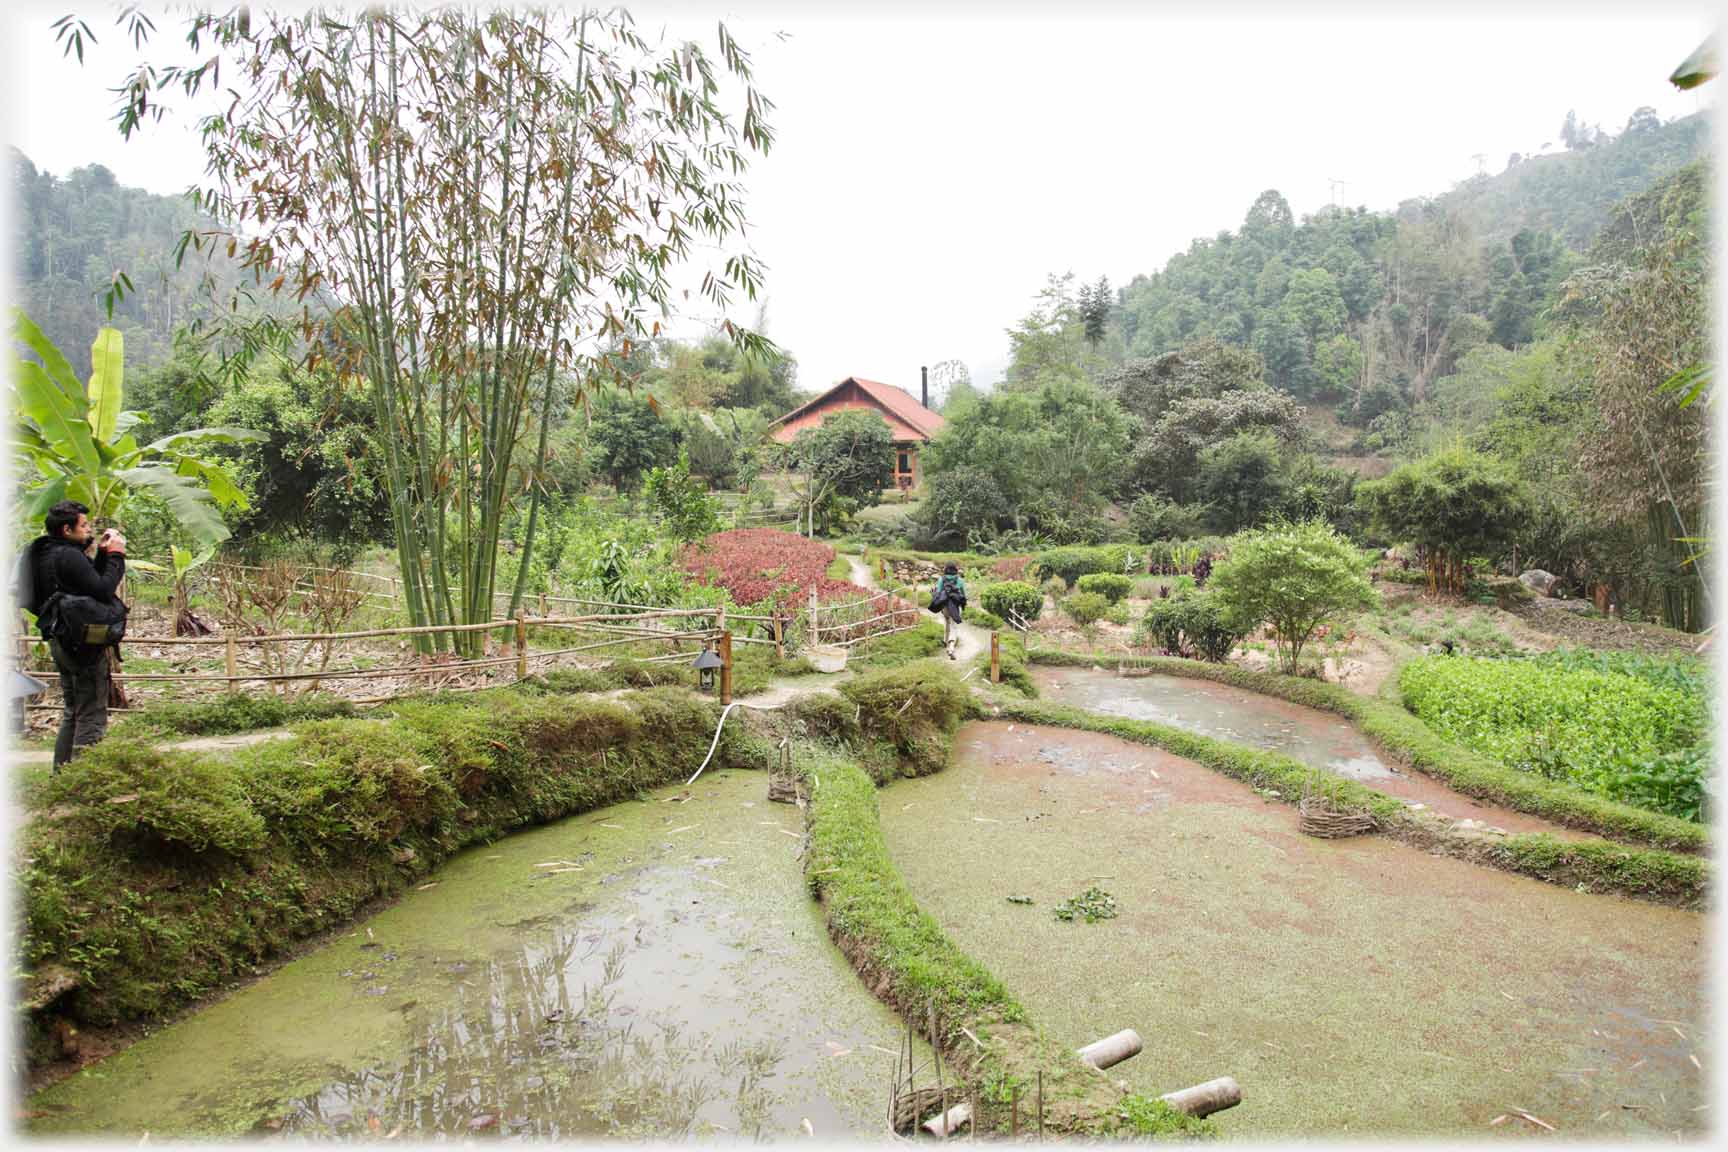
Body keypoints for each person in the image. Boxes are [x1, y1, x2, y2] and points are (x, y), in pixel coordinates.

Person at [19, 500, 126, 770]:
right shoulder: (68, 555)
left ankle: (63, 777)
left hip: (60, 639)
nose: (88, 529)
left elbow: (87, 583)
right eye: (84, 525)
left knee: (72, 712)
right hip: (82, 646)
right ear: (67, 529)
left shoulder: (44, 553)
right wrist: (116, 556)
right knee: (91, 714)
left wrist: (102, 554)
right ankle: (84, 780)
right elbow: (103, 590)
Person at [929, 562, 967, 660]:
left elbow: (938, 592)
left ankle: (945, 641)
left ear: (946, 569)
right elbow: (964, 595)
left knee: (946, 622)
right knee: (954, 626)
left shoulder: (942, 579)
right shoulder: (960, 580)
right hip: (956, 607)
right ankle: (951, 648)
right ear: (955, 570)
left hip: (945, 606)